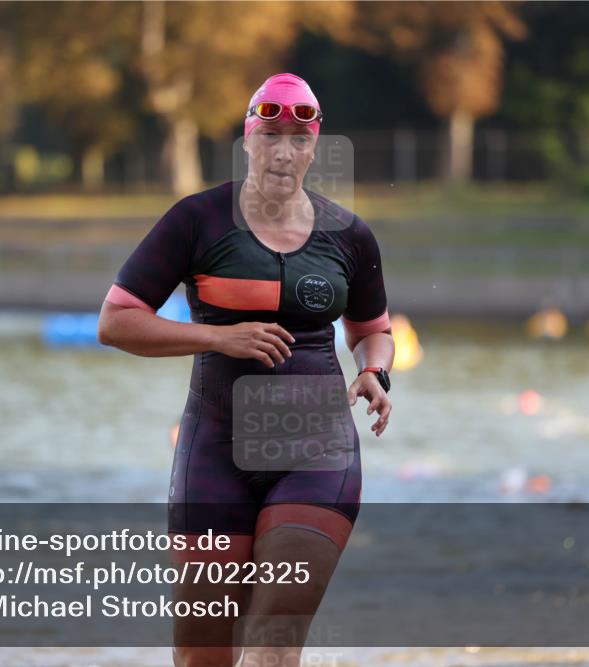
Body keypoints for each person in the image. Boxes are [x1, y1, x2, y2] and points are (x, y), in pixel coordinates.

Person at [98, 73, 395, 667]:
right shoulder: (197, 220)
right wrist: (218, 336)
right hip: (215, 452)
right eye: (271, 136)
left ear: (315, 147)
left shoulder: (350, 235)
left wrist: (375, 372)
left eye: (298, 139)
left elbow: (373, 330)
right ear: (248, 138)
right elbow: (116, 322)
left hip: (316, 454)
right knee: (203, 656)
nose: (283, 152)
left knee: (273, 644)